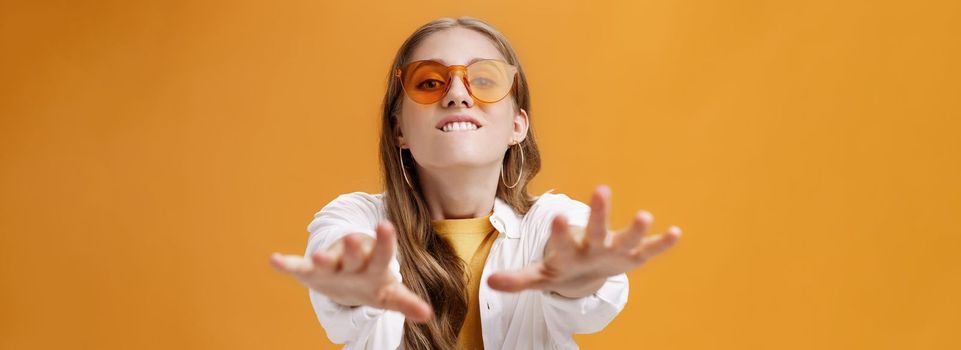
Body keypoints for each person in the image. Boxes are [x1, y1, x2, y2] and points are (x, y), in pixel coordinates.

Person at [269, 16, 682, 350]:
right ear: (399, 130)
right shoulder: (356, 218)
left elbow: (575, 262)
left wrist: (578, 274)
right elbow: (340, 246)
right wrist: (353, 277)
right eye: (429, 82)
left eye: (484, 80)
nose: (457, 94)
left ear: (517, 126)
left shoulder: (551, 222)